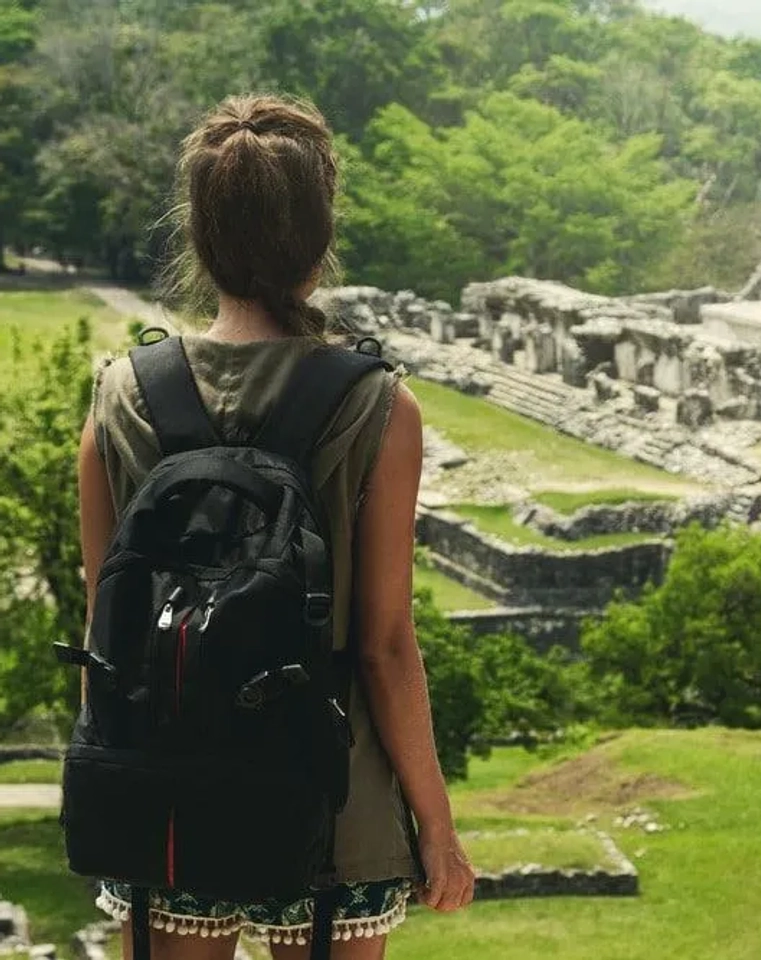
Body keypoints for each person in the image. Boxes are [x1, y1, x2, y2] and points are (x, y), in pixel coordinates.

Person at [76, 94, 475, 960]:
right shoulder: (376, 405)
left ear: (201, 234)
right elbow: (384, 644)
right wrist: (435, 826)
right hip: (330, 799)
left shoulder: (120, 395)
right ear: (317, 236)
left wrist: (112, 784)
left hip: (165, 783)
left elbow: (102, 618)